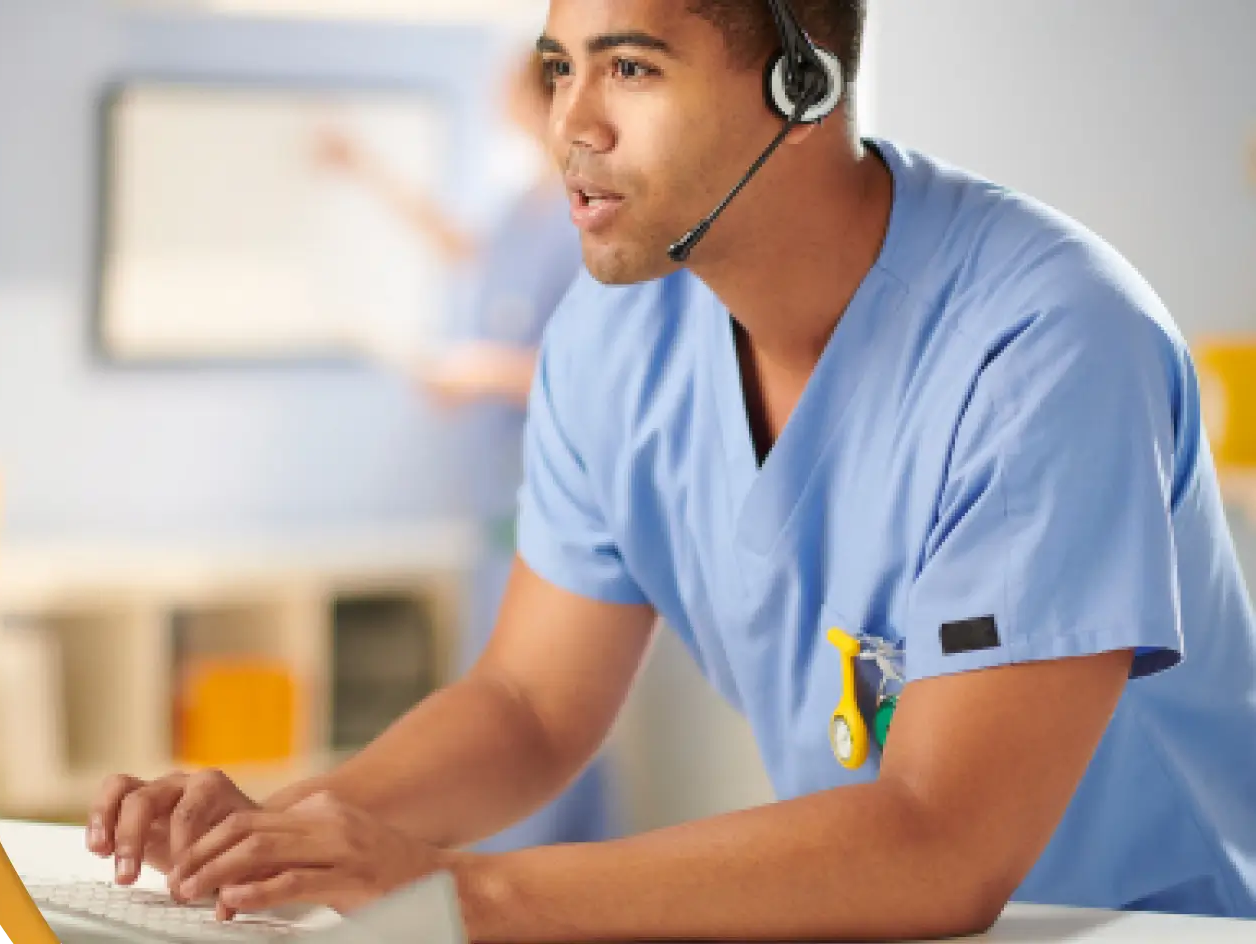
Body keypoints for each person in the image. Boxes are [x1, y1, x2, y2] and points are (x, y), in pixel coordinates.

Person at [84, 2, 1256, 940]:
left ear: (803, 89)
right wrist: (273, 834)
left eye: (630, 69)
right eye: (559, 67)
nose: (569, 123)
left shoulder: (1048, 342)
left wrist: (459, 892)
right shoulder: (610, 341)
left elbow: (938, 842)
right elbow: (529, 706)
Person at [309, 46, 619, 855]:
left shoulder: (589, 215)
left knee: (541, 702)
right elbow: (465, 246)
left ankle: (534, 874)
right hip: (500, 500)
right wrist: (367, 172)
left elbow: (607, 370)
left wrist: (482, 371)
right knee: (518, 694)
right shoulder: (525, 207)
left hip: (548, 496)